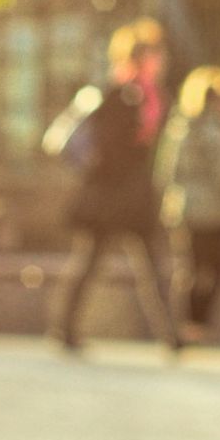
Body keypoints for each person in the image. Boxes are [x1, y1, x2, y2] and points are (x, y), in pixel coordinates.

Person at [48, 19, 181, 355]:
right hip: (112, 197)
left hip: (133, 196)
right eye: (155, 54)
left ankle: (172, 334)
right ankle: (64, 328)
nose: (160, 61)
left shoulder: (150, 96)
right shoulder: (120, 95)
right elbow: (109, 148)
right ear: (143, 58)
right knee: (93, 262)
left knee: (151, 265)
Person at [157, 65, 220, 343]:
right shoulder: (214, 129)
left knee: (191, 267)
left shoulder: (178, 126)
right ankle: (198, 325)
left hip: (182, 208)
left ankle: (186, 325)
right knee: (216, 267)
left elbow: (165, 172)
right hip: (214, 210)